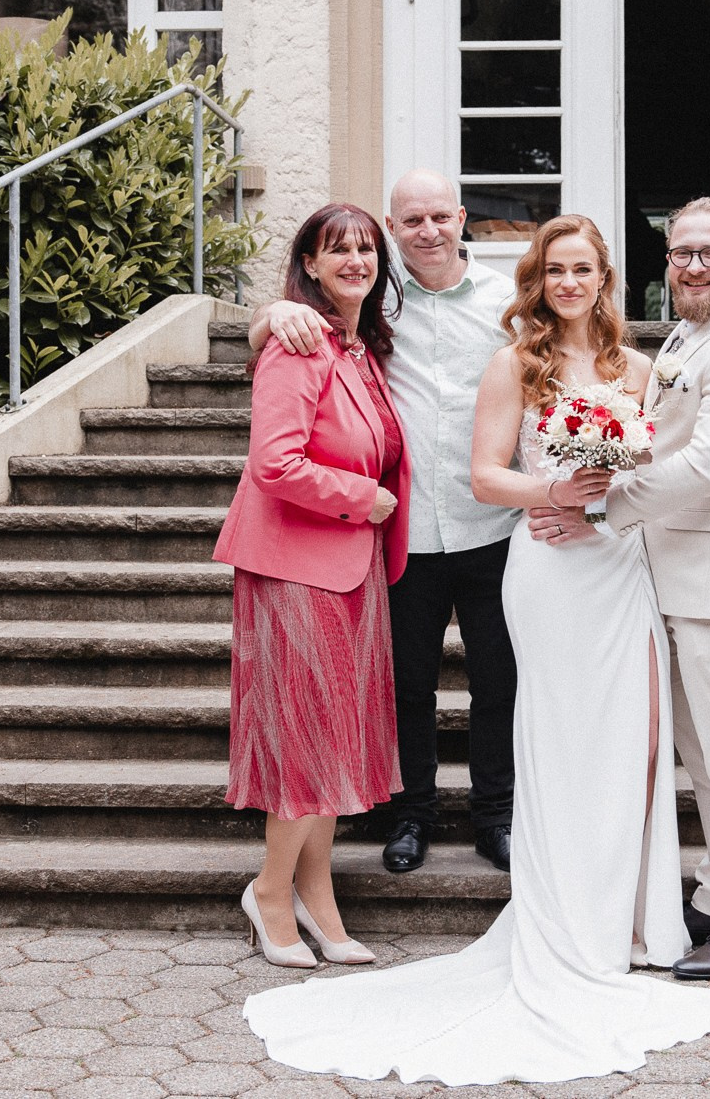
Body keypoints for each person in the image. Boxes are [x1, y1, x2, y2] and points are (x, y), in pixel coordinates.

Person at [243, 215, 710, 1086]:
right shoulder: (515, 359)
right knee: (555, 738)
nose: (571, 282)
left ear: (607, 276)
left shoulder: (642, 367)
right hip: (546, 562)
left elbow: (670, 463)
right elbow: (485, 476)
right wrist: (555, 488)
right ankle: (563, 921)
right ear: (537, 278)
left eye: (585, 268)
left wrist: (613, 498)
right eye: (556, 269)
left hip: (620, 569)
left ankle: (636, 920)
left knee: (633, 741)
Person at [530, 196, 710, 981]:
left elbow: (704, 466)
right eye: (681, 252)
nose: (693, 265)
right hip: (667, 575)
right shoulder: (687, 333)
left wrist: (602, 506)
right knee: (699, 754)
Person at [248, 170, 521, 874]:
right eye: (411, 221)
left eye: (440, 216)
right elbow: (300, 322)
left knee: (498, 682)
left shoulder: (508, 300)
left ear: (462, 217)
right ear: (393, 230)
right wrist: (271, 315)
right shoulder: (373, 301)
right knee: (406, 686)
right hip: (402, 537)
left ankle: (498, 815)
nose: (427, 230)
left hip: (491, 525)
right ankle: (412, 814)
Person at [213, 203, 410, 970]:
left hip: (354, 570)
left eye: (366, 248)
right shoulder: (299, 345)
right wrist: (366, 498)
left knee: (334, 740)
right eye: (339, 250)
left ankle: (318, 896)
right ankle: (269, 890)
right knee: (305, 739)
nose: (356, 260)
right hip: (295, 568)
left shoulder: (360, 349)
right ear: (312, 264)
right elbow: (276, 463)